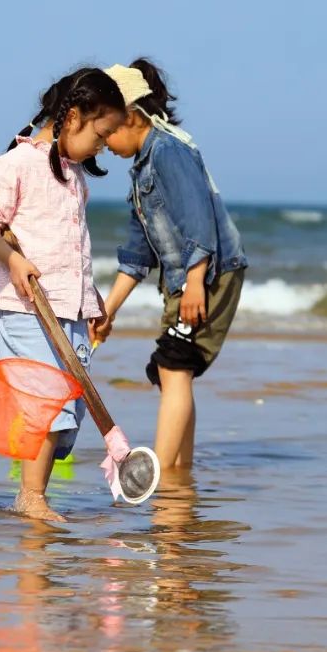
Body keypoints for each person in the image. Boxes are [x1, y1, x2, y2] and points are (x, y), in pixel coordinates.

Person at [0, 67, 127, 523]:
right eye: (101, 134)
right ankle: (31, 498)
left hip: (68, 309)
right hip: (25, 306)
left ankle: (35, 492)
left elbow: (74, 250)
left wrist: (90, 301)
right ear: (72, 116)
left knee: (70, 409)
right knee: (45, 404)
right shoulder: (16, 165)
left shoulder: (74, 176)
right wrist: (12, 260)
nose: (104, 145)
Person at [93, 60, 246, 472]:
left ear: (131, 117)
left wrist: (196, 281)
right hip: (184, 279)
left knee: (173, 365)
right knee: (173, 370)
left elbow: (199, 218)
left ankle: (160, 476)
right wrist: (109, 309)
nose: (104, 141)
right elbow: (138, 251)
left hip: (210, 272)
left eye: (107, 129)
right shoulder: (141, 170)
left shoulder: (168, 151)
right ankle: (179, 472)